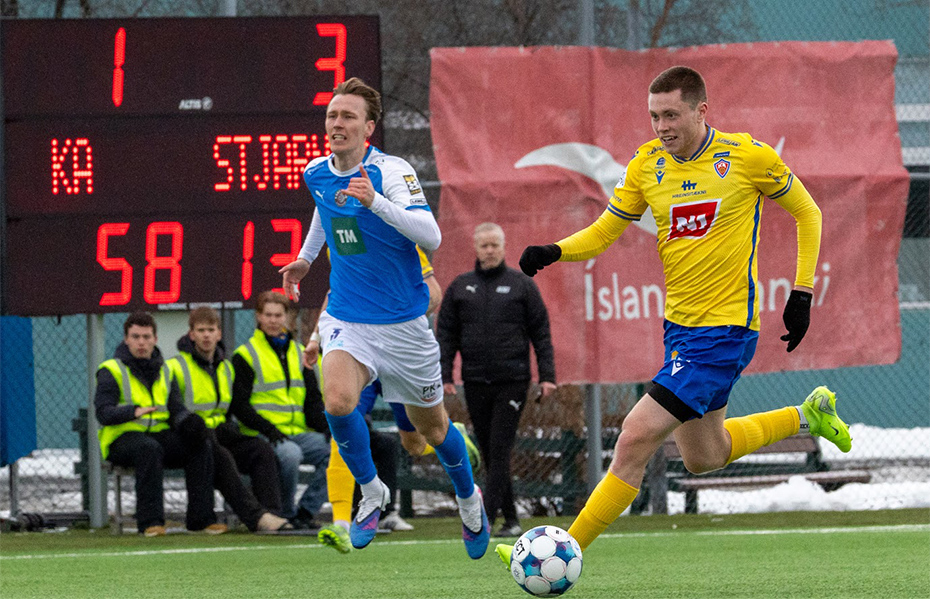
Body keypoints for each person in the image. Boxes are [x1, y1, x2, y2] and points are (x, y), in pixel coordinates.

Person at [497, 66, 852, 564]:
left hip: (725, 331)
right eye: (654, 116)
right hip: (681, 330)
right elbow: (605, 230)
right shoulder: (647, 165)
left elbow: (808, 211)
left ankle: (560, 552)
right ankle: (807, 415)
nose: (661, 126)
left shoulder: (746, 156)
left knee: (634, 436)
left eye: (671, 115)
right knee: (705, 456)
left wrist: (802, 292)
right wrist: (556, 250)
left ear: (700, 110)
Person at [279, 77, 489, 558]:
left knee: (432, 432)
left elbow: (431, 235)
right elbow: (325, 210)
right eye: (332, 115)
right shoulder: (317, 172)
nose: (337, 123)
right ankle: (372, 491)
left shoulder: (391, 172)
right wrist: (307, 259)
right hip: (348, 317)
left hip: (404, 326)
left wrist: (374, 201)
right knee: (337, 403)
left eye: (348, 116)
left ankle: (468, 497)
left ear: (368, 127)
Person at [437, 222, 557, 538]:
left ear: (503, 248)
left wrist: (547, 377)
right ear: (476, 248)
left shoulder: (521, 285)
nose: (489, 251)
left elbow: (541, 333)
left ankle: (484, 520)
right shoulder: (460, 287)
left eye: (494, 245)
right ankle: (512, 519)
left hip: (513, 380)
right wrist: (445, 374)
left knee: (500, 448)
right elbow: (446, 334)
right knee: (490, 452)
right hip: (475, 380)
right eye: (484, 245)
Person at [94, 311, 225, 537]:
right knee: (149, 449)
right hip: (121, 439)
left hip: (157, 434)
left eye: (146, 337)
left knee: (199, 445)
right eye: (135, 337)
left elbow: (175, 409)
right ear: (126, 339)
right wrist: (132, 411)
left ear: (155, 339)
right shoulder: (111, 370)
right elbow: (103, 413)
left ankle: (202, 520)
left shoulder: (165, 370)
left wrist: (190, 422)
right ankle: (150, 522)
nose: (141, 343)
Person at [167, 306, 291, 532]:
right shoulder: (175, 367)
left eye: (211, 330)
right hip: (192, 437)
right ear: (191, 334)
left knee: (260, 449)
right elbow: (175, 410)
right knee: (220, 455)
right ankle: (257, 518)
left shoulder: (226, 368)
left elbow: (233, 407)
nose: (206, 335)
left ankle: (273, 514)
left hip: (219, 432)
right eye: (201, 330)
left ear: (219, 334)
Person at [230, 291, 330, 529]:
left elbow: (313, 400)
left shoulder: (300, 352)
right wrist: (269, 430)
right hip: (264, 433)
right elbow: (240, 405)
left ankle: (305, 512)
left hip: (297, 431)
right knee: (290, 455)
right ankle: (285, 514)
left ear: (286, 317)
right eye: (268, 315)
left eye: (278, 315)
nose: (273, 320)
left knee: (338, 451)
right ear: (258, 317)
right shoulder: (245, 355)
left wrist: (328, 427)